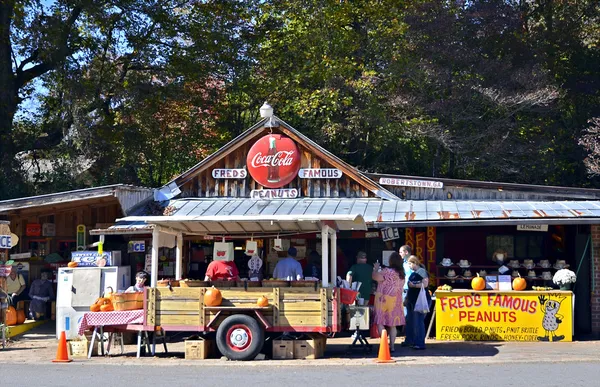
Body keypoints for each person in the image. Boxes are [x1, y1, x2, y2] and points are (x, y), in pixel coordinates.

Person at [372, 252, 405, 352]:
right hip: (396, 301)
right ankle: (392, 346)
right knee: (392, 324)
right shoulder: (402, 274)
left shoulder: (387, 271)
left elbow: (375, 277)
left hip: (384, 299)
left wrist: (376, 268)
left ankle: (384, 345)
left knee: (380, 322)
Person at [404, 255, 432, 350]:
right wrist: (407, 298)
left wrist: (414, 285)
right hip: (412, 300)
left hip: (419, 301)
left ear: (414, 263)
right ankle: (410, 340)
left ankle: (420, 343)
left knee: (418, 322)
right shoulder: (413, 273)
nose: (408, 266)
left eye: (409, 263)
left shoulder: (422, 271)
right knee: (410, 321)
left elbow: (425, 284)